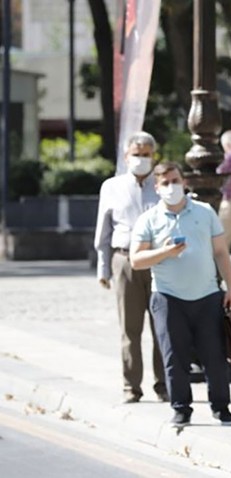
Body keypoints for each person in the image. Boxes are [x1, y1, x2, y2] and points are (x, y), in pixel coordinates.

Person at [129, 162, 231, 427]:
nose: (171, 187)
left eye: (175, 180)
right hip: (167, 297)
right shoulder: (149, 219)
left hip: (207, 294)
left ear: (184, 181)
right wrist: (164, 252)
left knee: (214, 356)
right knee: (173, 357)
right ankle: (181, 407)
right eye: (165, 183)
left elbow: (221, 252)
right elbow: (136, 259)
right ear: (156, 188)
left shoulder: (204, 211)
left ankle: (221, 407)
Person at [93, 131, 167, 404]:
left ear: (153, 156)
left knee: (163, 326)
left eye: (146, 155)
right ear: (126, 157)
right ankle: (131, 387)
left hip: (158, 259)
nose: (141, 159)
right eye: (136, 154)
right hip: (124, 259)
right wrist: (103, 268)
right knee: (130, 328)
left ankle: (164, 385)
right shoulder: (111, 187)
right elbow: (103, 231)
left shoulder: (162, 184)